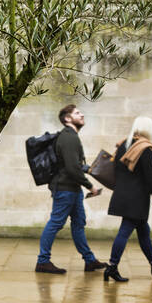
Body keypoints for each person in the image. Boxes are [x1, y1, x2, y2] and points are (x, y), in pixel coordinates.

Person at [35, 104, 107, 274]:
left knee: (78, 223)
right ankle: (42, 262)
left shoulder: (70, 136)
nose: (82, 114)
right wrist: (91, 186)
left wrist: (88, 168)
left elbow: (74, 165)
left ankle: (89, 261)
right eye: (77, 113)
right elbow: (72, 168)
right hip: (65, 189)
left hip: (72, 189)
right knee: (55, 223)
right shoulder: (69, 138)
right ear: (67, 118)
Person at [103, 115, 152, 282]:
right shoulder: (145, 149)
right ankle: (112, 267)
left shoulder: (124, 145)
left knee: (144, 232)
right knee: (125, 231)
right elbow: (151, 178)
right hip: (136, 200)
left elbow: (115, 170)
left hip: (123, 195)